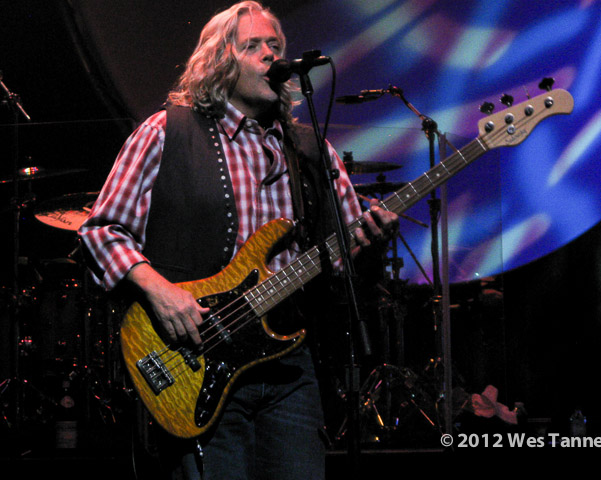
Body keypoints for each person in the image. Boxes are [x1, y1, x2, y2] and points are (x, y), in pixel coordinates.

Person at [79, 2, 398, 479]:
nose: (270, 54)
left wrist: (371, 243)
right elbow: (101, 231)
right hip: (198, 359)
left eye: (275, 45)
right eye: (253, 46)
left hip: (292, 368)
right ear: (219, 60)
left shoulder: (312, 150)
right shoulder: (166, 132)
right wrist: (161, 292)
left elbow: (343, 266)